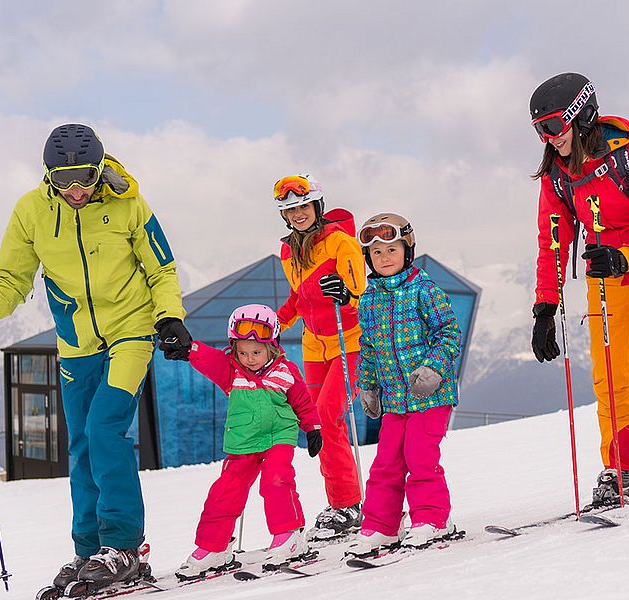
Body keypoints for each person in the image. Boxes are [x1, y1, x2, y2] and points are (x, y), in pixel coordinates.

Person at [0, 124, 192, 590]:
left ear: (99, 170)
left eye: (83, 176)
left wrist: (169, 318)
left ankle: (123, 545)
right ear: (48, 176)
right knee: (80, 444)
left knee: (104, 430)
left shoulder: (129, 204)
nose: (75, 189)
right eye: (63, 179)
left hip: (131, 333)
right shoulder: (31, 211)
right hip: (76, 343)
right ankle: (88, 549)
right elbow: (13, 279)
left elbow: (162, 268)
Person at [527, 73, 629, 505]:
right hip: (606, 277)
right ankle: (624, 467)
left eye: (554, 126)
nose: (548, 137)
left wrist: (625, 255)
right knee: (609, 374)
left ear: (581, 117)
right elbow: (553, 241)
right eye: (539, 129)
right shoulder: (557, 175)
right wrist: (545, 305)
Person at [172, 304, 323, 577]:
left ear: (272, 347)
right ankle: (214, 546)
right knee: (224, 491)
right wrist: (190, 349)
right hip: (243, 439)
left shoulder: (285, 371)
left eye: (256, 352)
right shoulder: (232, 370)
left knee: (276, 480)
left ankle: (288, 537)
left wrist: (312, 427)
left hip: (279, 434)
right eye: (242, 352)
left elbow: (302, 401)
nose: (249, 358)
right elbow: (210, 360)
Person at [347, 213, 462, 556]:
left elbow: (448, 334)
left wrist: (433, 369)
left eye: (391, 249)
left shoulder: (425, 291)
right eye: (377, 252)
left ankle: (432, 519)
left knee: (420, 456)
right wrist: (366, 385)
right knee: (386, 462)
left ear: (407, 251)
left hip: (431, 394)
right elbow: (367, 348)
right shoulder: (368, 301)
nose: (384, 257)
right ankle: (381, 526)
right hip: (395, 400)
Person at [273, 175, 365, 539]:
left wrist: (345, 293)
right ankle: (341, 501)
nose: (298, 214)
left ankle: (348, 504)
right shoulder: (287, 252)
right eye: (290, 209)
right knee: (315, 421)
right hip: (315, 346)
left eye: (303, 206)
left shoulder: (341, 243)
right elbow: (300, 297)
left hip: (351, 343)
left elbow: (360, 290)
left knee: (329, 416)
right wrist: (272, 324)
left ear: (317, 206)